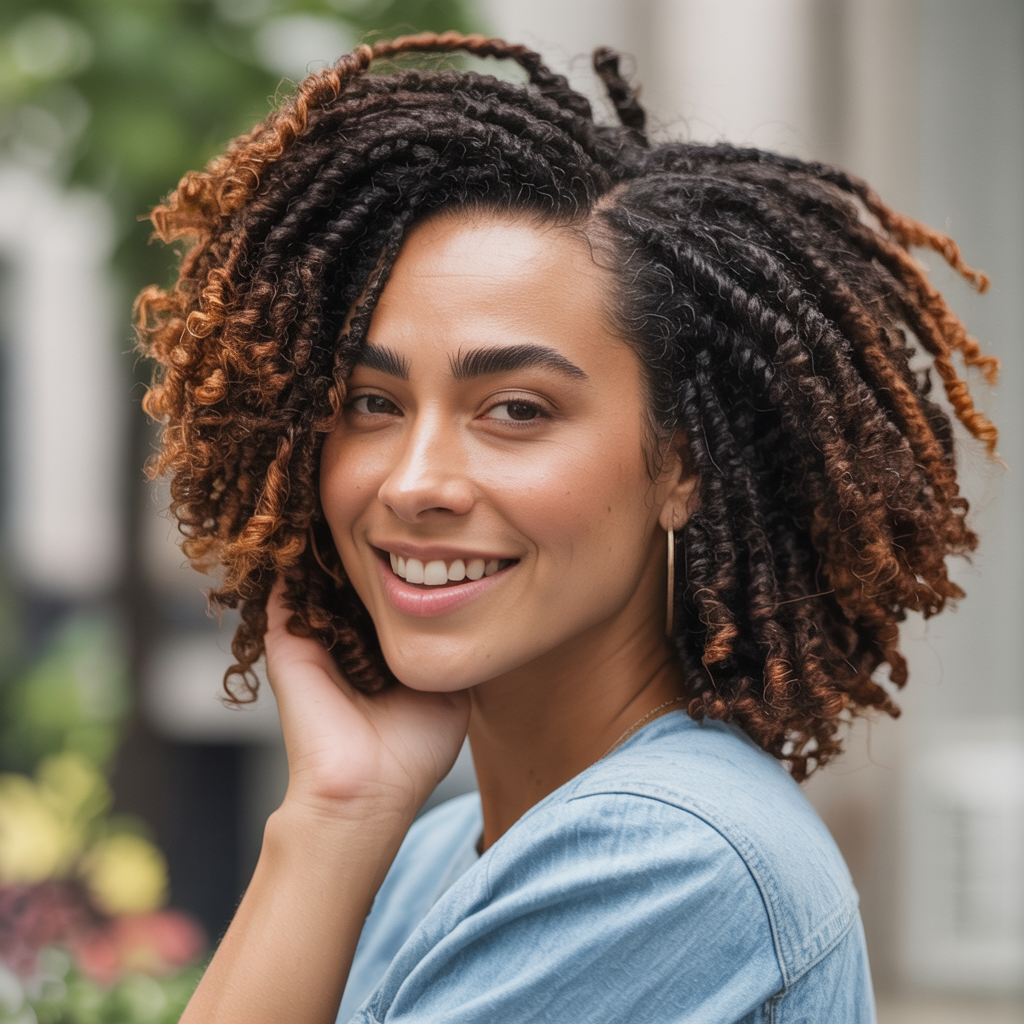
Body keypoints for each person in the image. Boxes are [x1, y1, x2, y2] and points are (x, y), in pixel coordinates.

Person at [135, 31, 998, 1023]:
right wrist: (338, 808)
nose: (415, 481)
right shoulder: (431, 855)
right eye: (371, 402)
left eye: (515, 410)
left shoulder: (661, 864)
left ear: (679, 465)